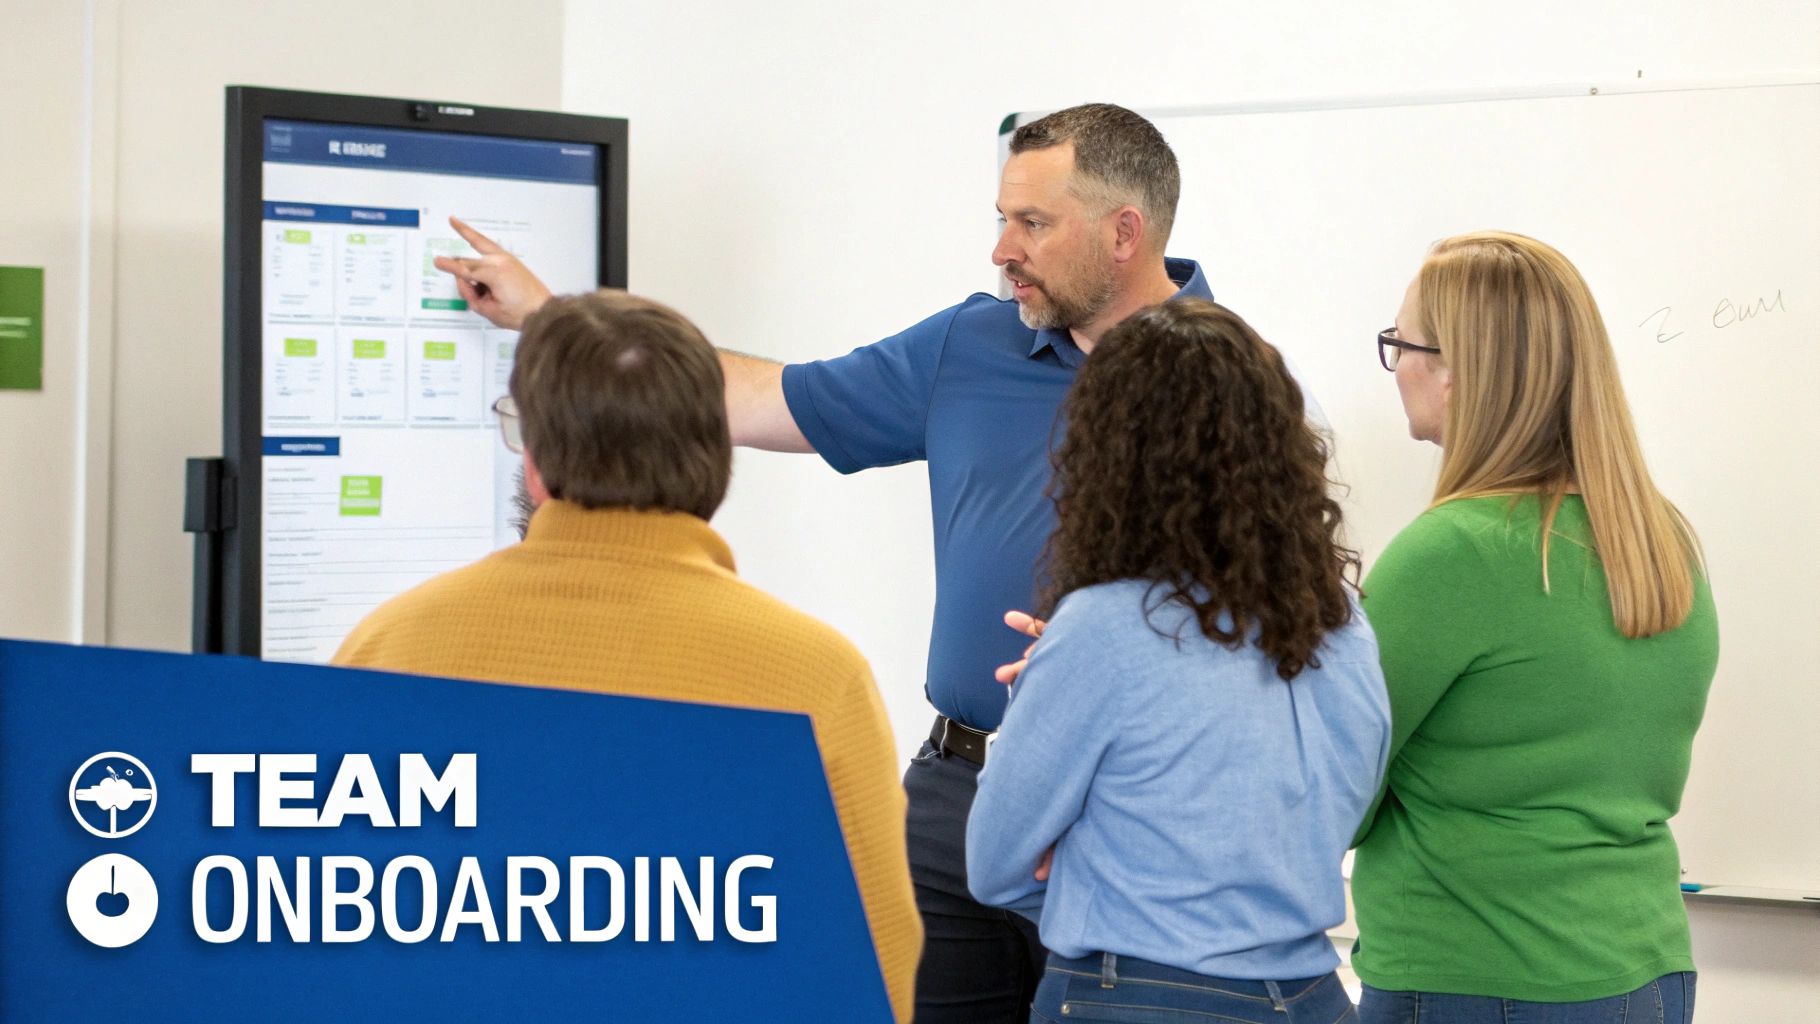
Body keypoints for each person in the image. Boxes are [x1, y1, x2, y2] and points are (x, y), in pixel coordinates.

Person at [435, 103, 1218, 1021]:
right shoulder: (973, 341)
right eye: (1002, 218)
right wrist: (550, 316)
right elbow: (763, 399)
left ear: (1124, 232)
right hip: (952, 796)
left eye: (1032, 224)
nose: (1003, 248)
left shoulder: (1232, 381)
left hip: (1122, 808)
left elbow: (1271, 624)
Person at [332, 290, 921, 1022]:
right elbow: (873, 966)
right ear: (716, 464)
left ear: (538, 464)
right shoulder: (815, 676)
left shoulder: (389, 646)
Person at [965, 299, 1389, 1024]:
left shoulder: (1102, 627)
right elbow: (1337, 820)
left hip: (1135, 995)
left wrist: (1094, 866)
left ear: (1112, 453)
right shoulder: (1342, 623)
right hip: (1313, 996)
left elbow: (994, 861)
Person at [1353, 231, 1717, 1024]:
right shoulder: (1661, 540)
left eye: (1401, 344)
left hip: (1475, 977)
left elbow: (1337, 786)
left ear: (1456, 372)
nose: (1398, 367)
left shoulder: (1449, 553)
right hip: (1644, 970)